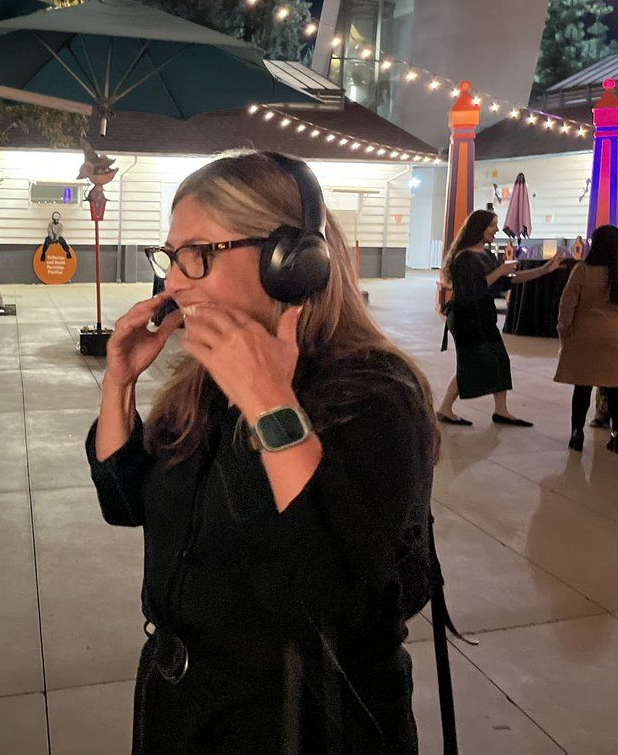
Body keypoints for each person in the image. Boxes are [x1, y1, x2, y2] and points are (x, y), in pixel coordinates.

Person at [88, 151, 437, 754]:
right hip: (184, 704)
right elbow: (126, 502)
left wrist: (268, 402)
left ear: (290, 264)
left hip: (302, 718)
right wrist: (118, 384)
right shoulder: (204, 383)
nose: (173, 279)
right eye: (171, 255)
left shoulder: (376, 393)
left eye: (198, 253)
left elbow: (331, 594)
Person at [437, 209, 563, 427]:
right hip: (466, 318)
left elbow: (508, 281)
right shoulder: (464, 258)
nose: (496, 230)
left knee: (500, 360)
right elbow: (472, 291)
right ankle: (445, 409)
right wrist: (500, 271)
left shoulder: (486, 255)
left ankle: (501, 410)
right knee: (471, 363)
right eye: (492, 225)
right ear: (480, 228)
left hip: (483, 317)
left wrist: (543, 270)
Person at [554, 224, 618, 452]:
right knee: (614, 388)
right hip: (614, 338)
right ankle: (615, 435)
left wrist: (564, 328)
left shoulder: (583, 270)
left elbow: (567, 302)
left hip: (584, 335)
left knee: (582, 387)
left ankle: (576, 433)